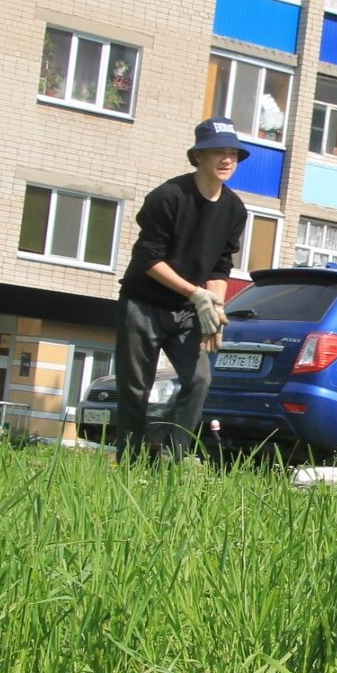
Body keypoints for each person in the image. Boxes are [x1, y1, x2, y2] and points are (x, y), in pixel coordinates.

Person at [114, 117, 249, 461]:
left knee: (199, 379)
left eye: (232, 153)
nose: (226, 159)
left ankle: (173, 460)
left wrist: (215, 304)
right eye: (217, 152)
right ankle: (129, 461)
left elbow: (221, 264)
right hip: (143, 304)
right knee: (135, 389)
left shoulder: (235, 208)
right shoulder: (168, 196)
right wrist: (196, 293)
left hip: (190, 309)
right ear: (197, 157)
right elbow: (147, 258)